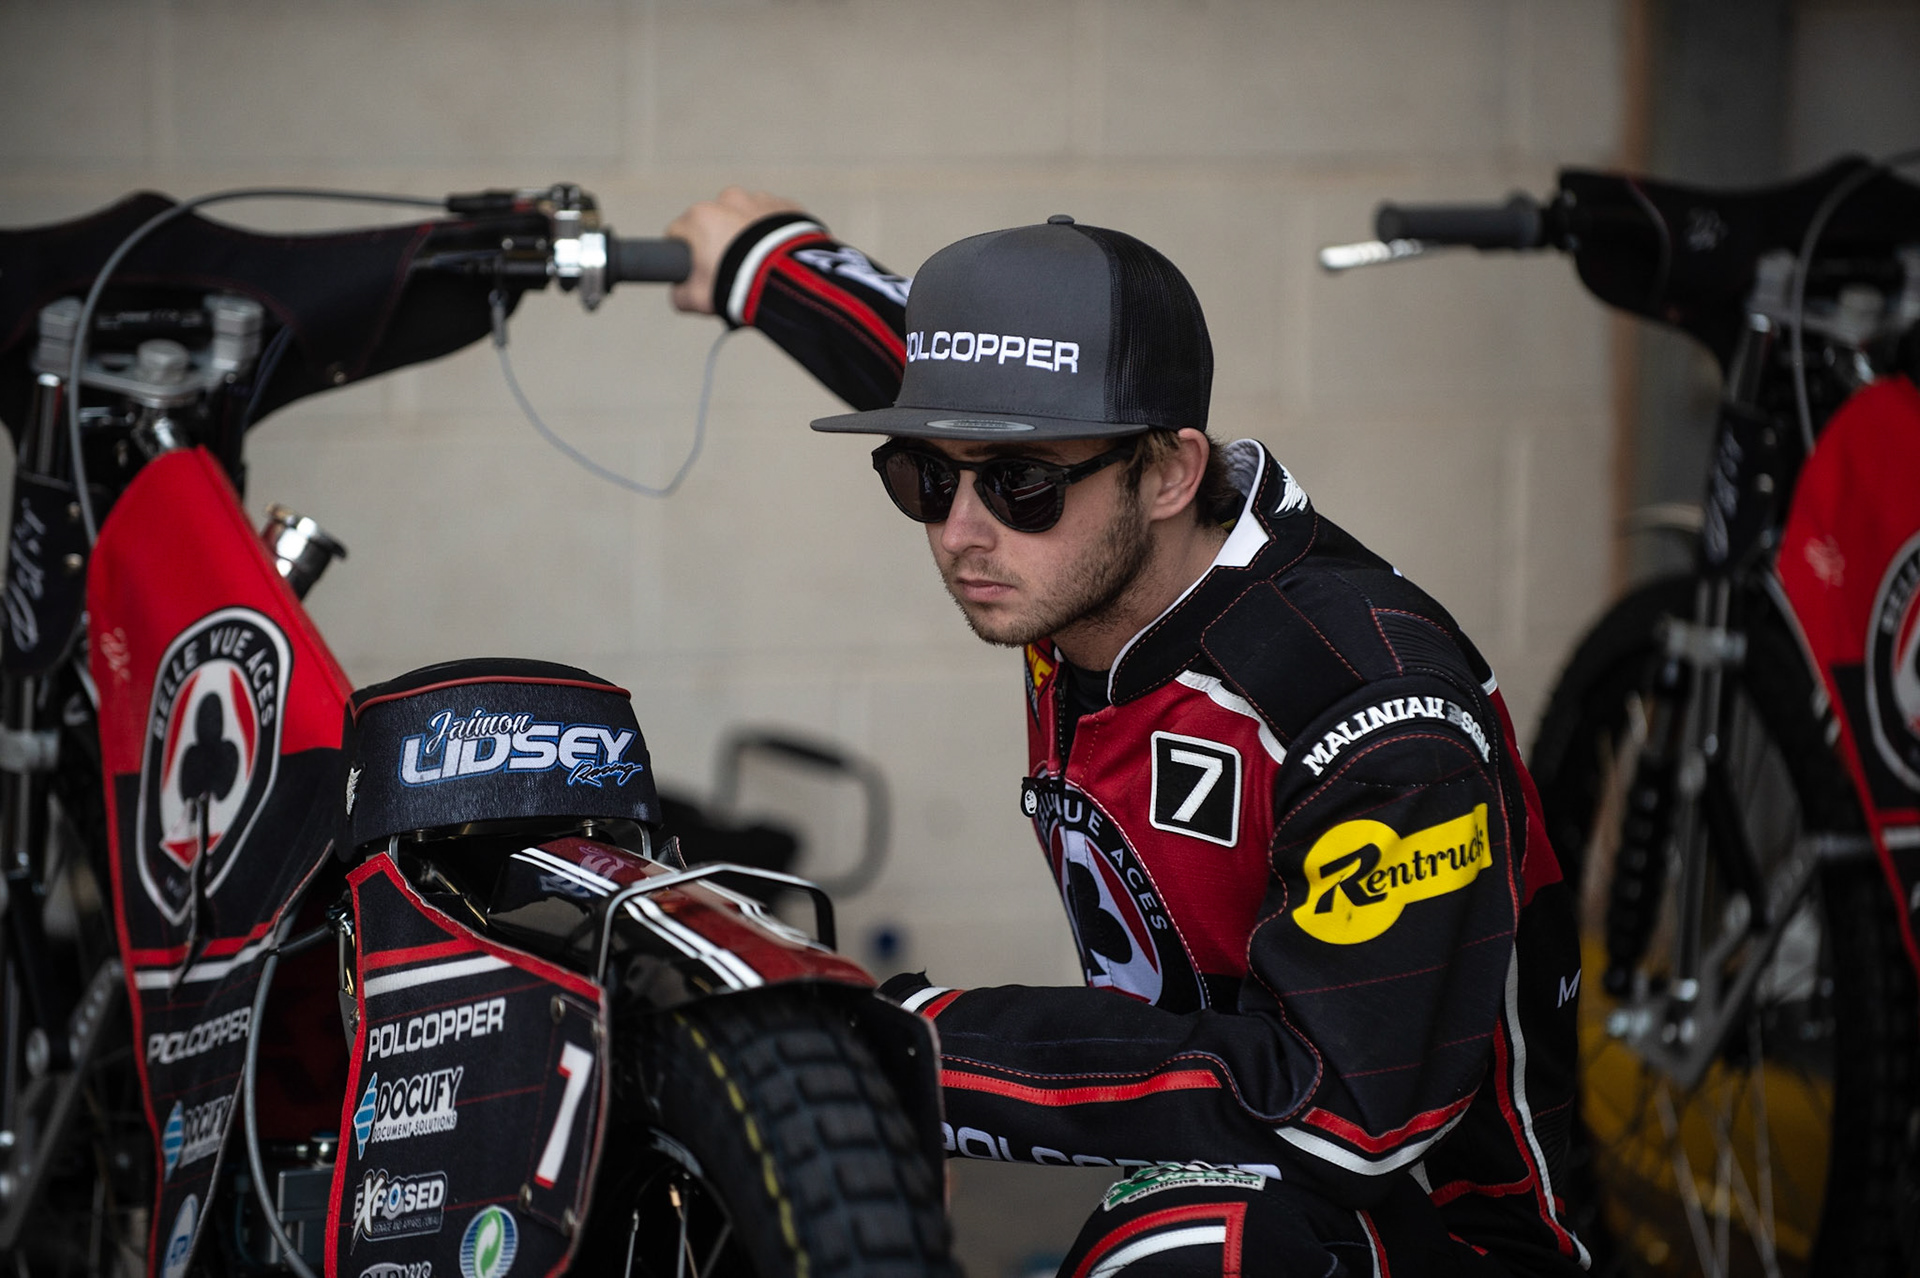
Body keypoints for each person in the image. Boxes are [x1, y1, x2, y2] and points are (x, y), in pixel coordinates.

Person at [667, 188, 1587, 1277]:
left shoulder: (1370, 715)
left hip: (1436, 1232)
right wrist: (766, 265)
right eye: (921, 475)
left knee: (1180, 1251)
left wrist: (912, 1046)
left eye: (1019, 483)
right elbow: (920, 363)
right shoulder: (1074, 553)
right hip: (1227, 1163)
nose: (962, 532)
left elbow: (1341, 1111)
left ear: (1168, 472)